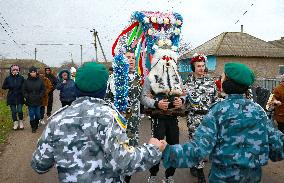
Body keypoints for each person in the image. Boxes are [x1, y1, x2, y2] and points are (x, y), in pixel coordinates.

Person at [31, 62, 166, 182]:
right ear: (103, 89)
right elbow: (125, 162)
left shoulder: (57, 120)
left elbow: (39, 165)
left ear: (76, 87)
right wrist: (152, 149)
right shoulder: (110, 118)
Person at [162, 62, 284, 183]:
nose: (220, 80)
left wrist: (165, 151)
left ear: (228, 82)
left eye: (222, 77)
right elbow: (278, 149)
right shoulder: (259, 111)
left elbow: (197, 151)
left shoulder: (218, 111)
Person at [105, 49, 143, 183]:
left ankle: (127, 178)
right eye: (128, 57)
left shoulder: (139, 78)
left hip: (133, 124)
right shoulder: (114, 78)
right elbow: (107, 99)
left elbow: (141, 99)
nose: (131, 60)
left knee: (131, 152)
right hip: (118, 124)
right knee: (117, 151)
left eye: (133, 57)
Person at [183, 53, 218, 183]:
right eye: (199, 66)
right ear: (193, 67)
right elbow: (183, 102)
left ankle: (194, 162)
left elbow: (215, 99)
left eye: (203, 66)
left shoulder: (210, 82)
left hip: (208, 118)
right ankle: (200, 173)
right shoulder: (187, 84)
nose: (202, 69)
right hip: (194, 117)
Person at [1, 65, 25, 130]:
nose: (15, 71)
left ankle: (21, 122)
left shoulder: (21, 78)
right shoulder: (8, 78)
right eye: (14, 70)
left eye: (16, 70)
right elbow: (3, 86)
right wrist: (9, 86)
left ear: (18, 71)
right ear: (11, 71)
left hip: (19, 96)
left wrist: (23, 92)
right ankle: (15, 123)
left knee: (19, 110)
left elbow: (24, 86)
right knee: (14, 111)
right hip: (11, 97)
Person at [22, 66, 45, 133]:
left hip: (38, 100)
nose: (33, 73)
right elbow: (24, 90)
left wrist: (40, 95)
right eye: (31, 72)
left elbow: (43, 89)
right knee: (31, 114)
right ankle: (33, 127)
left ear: (36, 72)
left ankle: (36, 123)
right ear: (29, 73)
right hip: (30, 100)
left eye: (34, 72)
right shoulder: (26, 81)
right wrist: (27, 96)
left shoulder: (40, 81)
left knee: (38, 114)